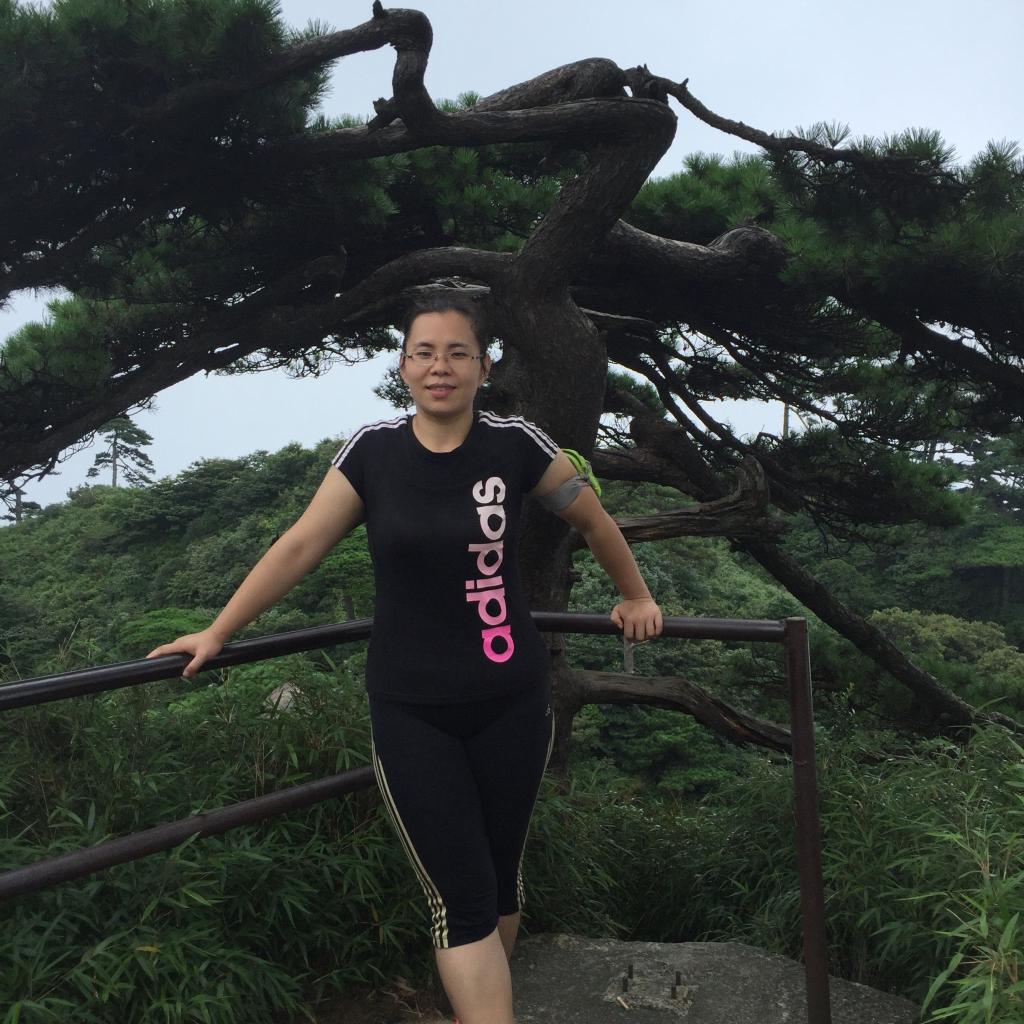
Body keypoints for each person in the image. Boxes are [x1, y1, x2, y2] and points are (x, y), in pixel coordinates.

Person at [147, 294, 663, 1024]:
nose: (439, 367)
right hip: (413, 710)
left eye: (457, 353)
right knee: (460, 897)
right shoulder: (373, 452)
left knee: (498, 879)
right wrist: (218, 630)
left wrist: (635, 594)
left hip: (514, 701)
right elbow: (301, 544)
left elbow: (593, 519)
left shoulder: (516, 444)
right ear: (402, 366)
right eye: (424, 352)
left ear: (485, 368)